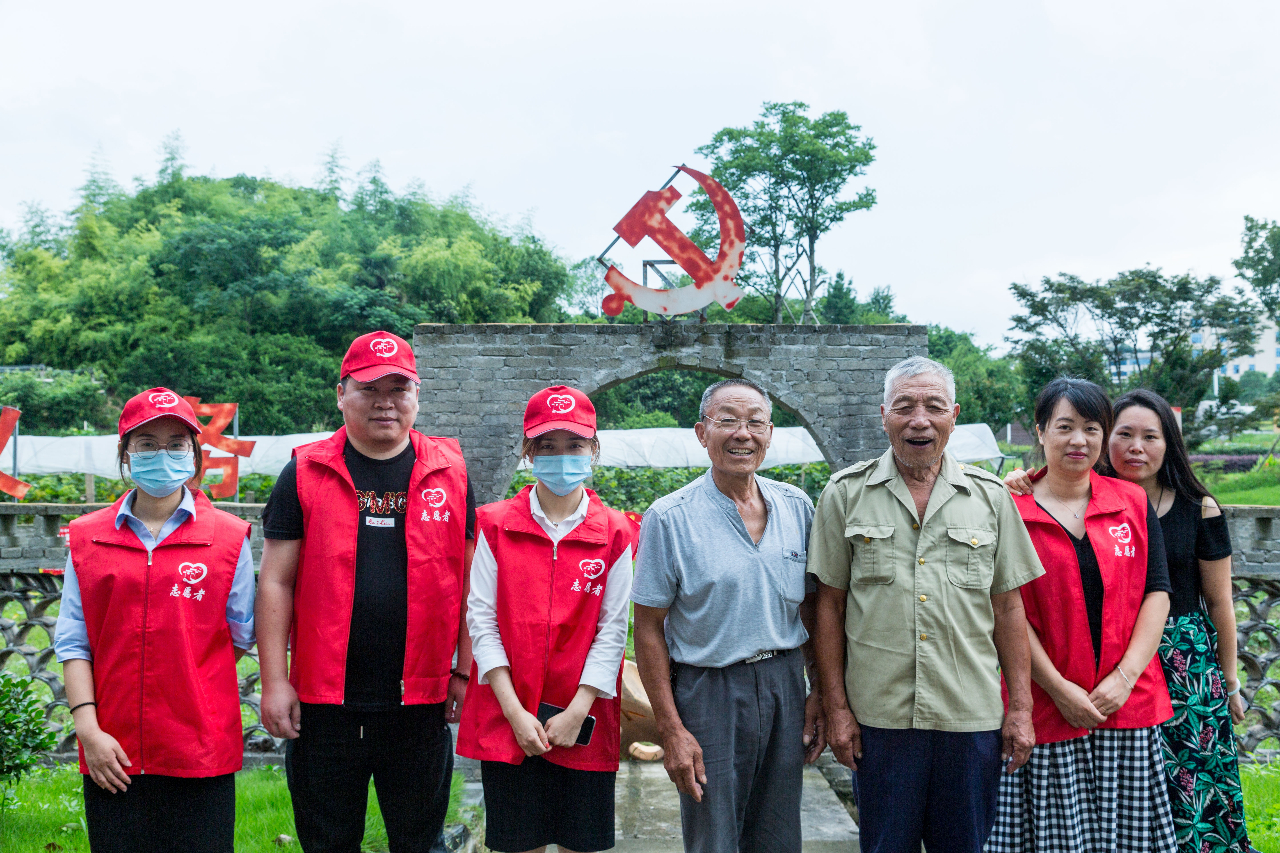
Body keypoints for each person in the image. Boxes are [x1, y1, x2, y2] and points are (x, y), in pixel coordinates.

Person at [807, 356, 1043, 853]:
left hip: (970, 716)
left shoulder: (991, 497)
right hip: (879, 718)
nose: (920, 419)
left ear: (953, 415)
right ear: (883, 415)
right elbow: (826, 606)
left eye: (934, 406)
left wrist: (1020, 708)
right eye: (904, 406)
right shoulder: (846, 493)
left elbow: (1009, 610)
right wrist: (836, 707)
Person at [255, 330, 477, 853]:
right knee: (328, 840)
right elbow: (276, 582)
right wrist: (274, 682)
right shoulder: (305, 473)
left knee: (419, 841)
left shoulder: (451, 473)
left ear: (417, 395)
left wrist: (465, 671)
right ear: (341, 394)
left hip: (420, 698)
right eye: (369, 388)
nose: (385, 402)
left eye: (399, 388)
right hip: (324, 700)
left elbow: (472, 587)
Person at [1004, 388, 1252, 852]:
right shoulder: (1024, 504)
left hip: (1169, 672)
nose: (1136, 446)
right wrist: (1021, 478)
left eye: (1150, 436)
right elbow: (1009, 609)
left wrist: (1229, 680)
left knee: (1188, 798)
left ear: (1169, 443)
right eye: (1124, 434)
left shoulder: (1179, 505)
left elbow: (1208, 599)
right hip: (1069, 682)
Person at [53, 388, 255, 853]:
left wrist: (187, 675)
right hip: (112, 748)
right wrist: (89, 729)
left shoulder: (227, 538)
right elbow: (73, 641)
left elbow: (240, 633)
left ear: (195, 452)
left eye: (176, 442)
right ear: (125, 453)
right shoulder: (88, 538)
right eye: (146, 443)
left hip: (200, 747)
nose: (161, 453)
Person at [631, 377, 825, 853]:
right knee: (713, 835)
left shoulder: (797, 506)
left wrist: (819, 689)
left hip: (784, 684)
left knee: (778, 835)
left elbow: (813, 607)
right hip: (707, 691)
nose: (744, 433)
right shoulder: (670, 516)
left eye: (756, 422)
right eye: (728, 421)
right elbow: (649, 629)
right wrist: (671, 730)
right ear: (702, 433)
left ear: (770, 433)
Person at [986, 377, 1176, 852]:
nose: (1079, 441)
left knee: (1130, 835)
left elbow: (1158, 592)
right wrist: (1059, 688)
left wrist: (1126, 677)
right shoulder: (1008, 507)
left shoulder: (1131, 502)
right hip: (1047, 707)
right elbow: (1006, 608)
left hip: (1127, 702)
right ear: (1040, 431)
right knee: (1054, 836)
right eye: (1065, 427)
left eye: (1092, 428)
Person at [456, 385, 635, 853]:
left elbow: (613, 630)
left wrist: (579, 709)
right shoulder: (494, 524)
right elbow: (482, 621)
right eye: (546, 446)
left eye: (574, 445)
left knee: (582, 842)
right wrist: (514, 712)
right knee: (520, 843)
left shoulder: (615, 532)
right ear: (527, 452)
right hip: (507, 713)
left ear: (594, 450)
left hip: (584, 716)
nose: (561, 457)